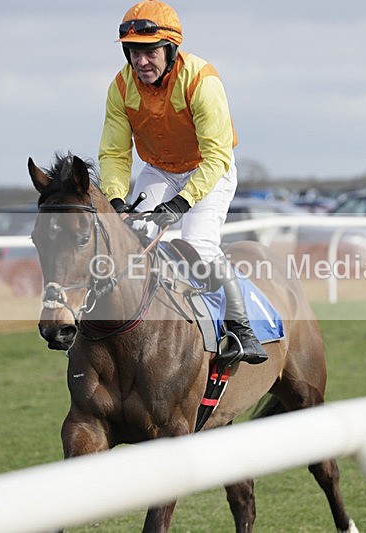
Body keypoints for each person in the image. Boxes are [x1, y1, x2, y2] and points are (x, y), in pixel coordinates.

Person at [98, 0, 267, 364]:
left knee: (198, 244)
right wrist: (115, 199)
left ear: (171, 49)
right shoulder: (120, 87)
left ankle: (241, 328)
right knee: (131, 238)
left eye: (150, 51)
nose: (141, 61)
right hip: (159, 169)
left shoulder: (201, 80)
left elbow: (217, 155)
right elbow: (113, 153)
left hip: (208, 168)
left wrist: (180, 204)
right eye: (133, 52)